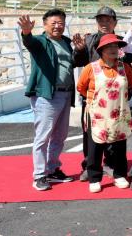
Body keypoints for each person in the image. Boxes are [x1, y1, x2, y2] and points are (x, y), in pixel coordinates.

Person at [19, 10, 85, 191]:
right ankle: (39, 175)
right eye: (54, 23)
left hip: (66, 93)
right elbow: (29, 42)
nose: (58, 26)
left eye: (61, 23)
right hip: (47, 95)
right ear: (45, 24)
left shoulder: (66, 42)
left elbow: (76, 62)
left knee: (60, 135)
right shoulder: (41, 41)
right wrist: (26, 32)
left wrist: (80, 50)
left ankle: (52, 169)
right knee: (43, 136)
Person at [76, 34, 132, 193]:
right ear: (101, 50)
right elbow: (81, 87)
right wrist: (93, 100)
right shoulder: (91, 68)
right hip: (97, 114)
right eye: (109, 47)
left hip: (119, 113)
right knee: (95, 146)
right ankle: (94, 178)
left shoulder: (124, 67)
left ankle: (119, 175)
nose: (114, 49)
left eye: (116, 46)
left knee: (119, 146)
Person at [72, 6, 131, 182]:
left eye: (108, 20)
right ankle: (89, 166)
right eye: (100, 20)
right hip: (94, 97)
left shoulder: (121, 42)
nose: (104, 23)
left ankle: (111, 165)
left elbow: (128, 69)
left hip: (115, 99)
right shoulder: (88, 40)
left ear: (115, 22)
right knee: (90, 135)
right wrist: (79, 50)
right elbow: (77, 63)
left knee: (115, 134)